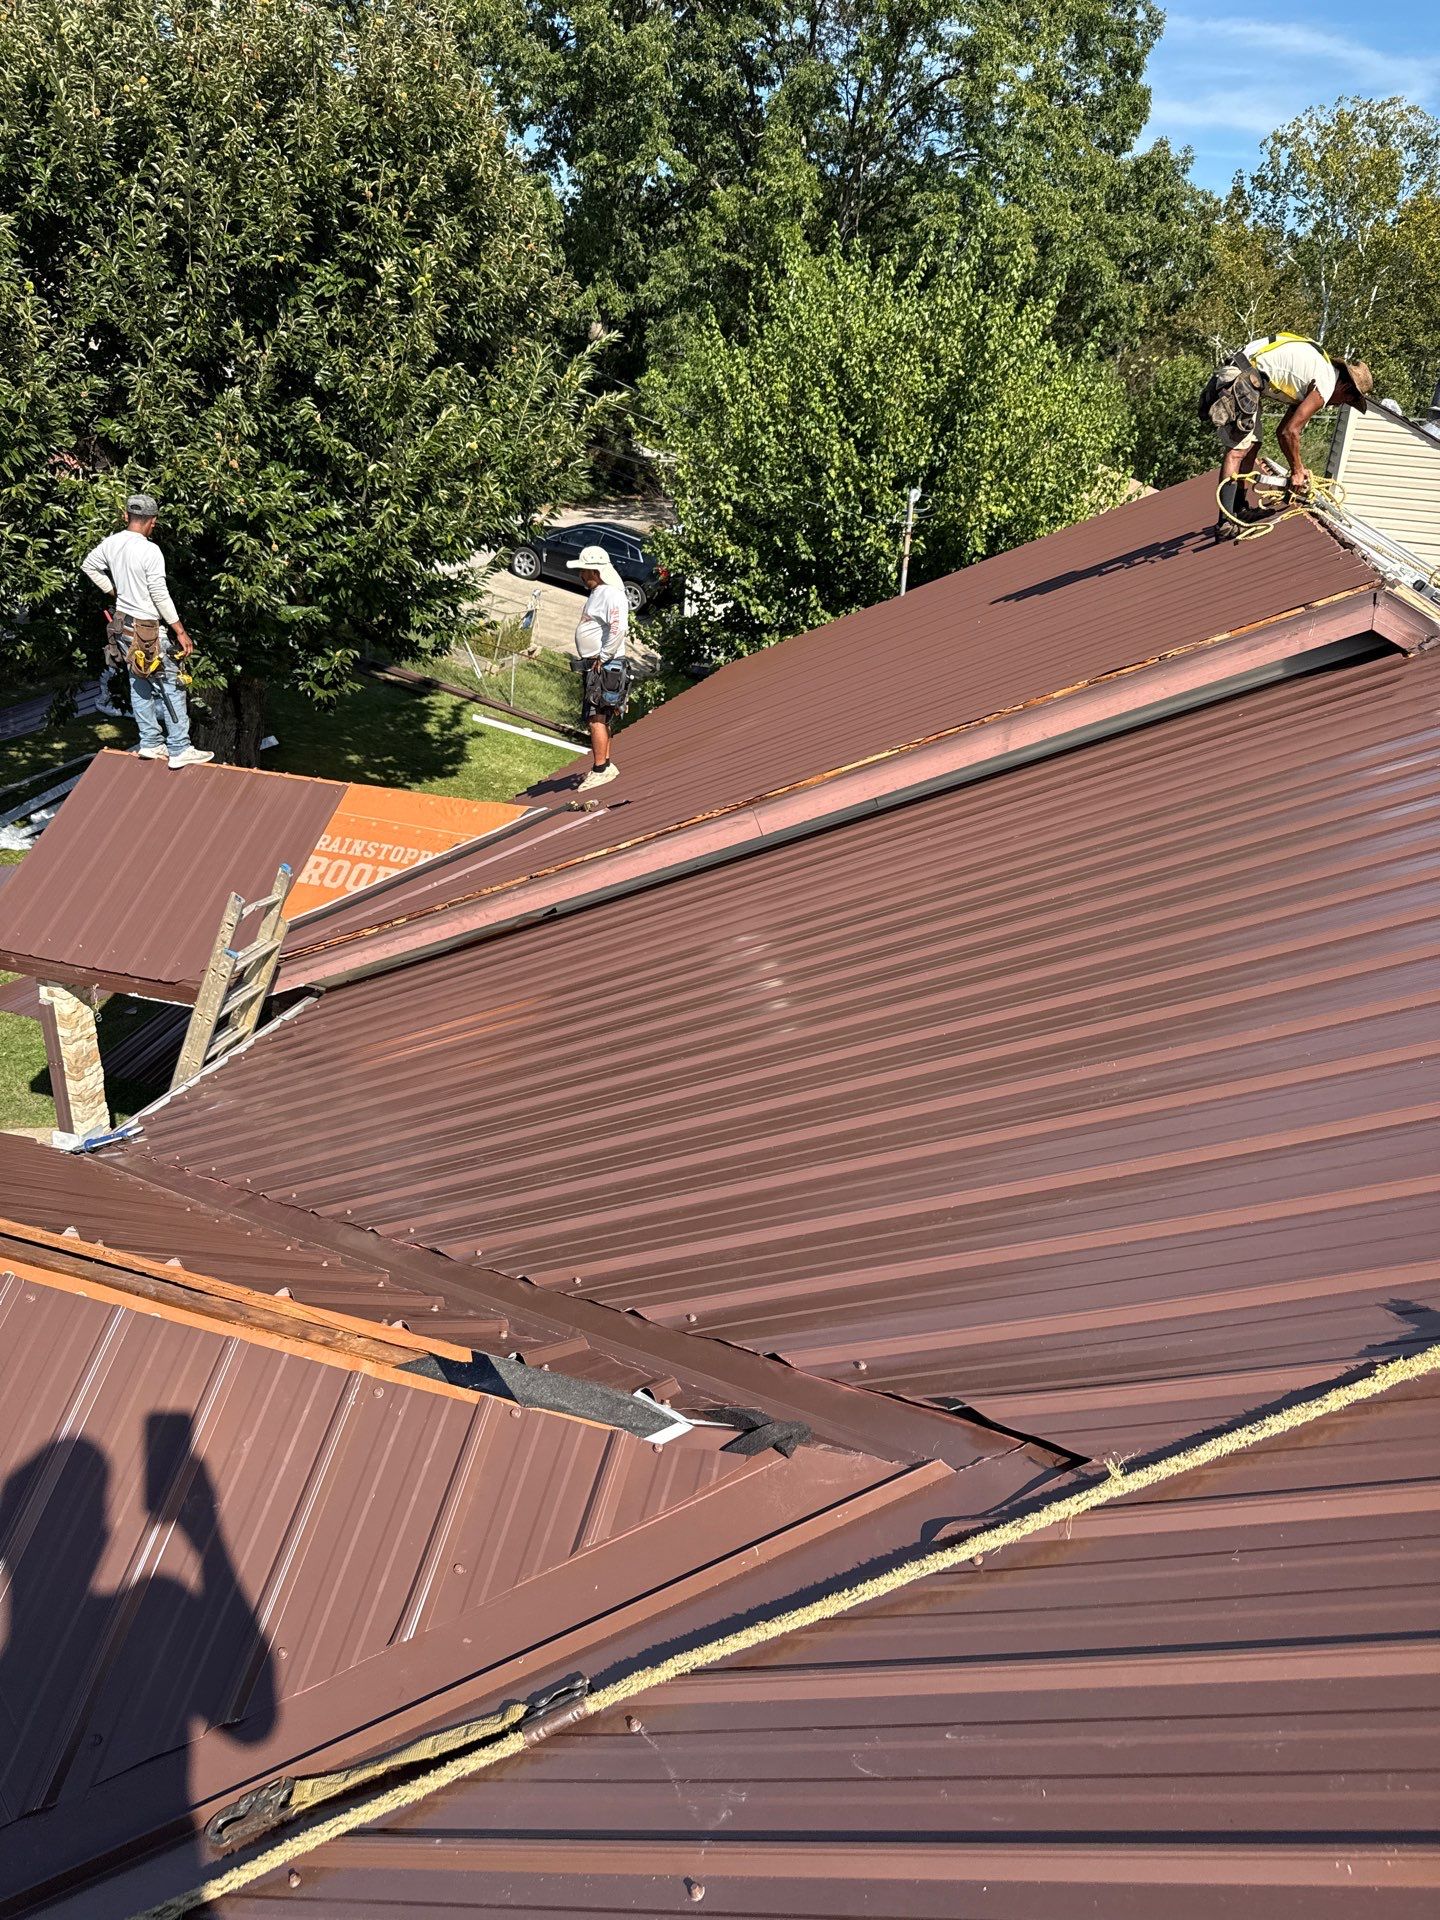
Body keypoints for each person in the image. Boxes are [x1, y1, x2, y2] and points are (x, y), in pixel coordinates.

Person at [81, 493, 214, 767]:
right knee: (172, 685)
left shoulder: (112, 543)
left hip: (122, 627)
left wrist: (114, 590)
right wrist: (179, 630)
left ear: (126, 517)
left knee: (138, 681)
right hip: (147, 629)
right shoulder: (150, 550)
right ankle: (179, 748)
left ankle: (150, 743)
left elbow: (89, 565)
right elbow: (159, 593)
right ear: (152, 521)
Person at [1201, 334, 1372, 538]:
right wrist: (1297, 471)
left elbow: (1284, 431)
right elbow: (1291, 432)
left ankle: (1240, 509)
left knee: (1253, 444)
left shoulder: (1317, 372)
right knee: (1237, 451)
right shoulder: (1325, 384)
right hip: (1241, 378)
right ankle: (1226, 524)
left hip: (1246, 378)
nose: (1338, 405)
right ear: (1345, 388)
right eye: (1346, 400)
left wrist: (1297, 468)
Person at [566, 541, 631, 791]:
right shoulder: (600, 593)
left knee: (595, 717)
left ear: (595, 571)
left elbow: (618, 628)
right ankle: (605, 764)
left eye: (583, 570)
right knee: (600, 715)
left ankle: (600, 768)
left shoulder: (611, 595)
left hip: (606, 665)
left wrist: (603, 657)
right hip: (600, 663)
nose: (581, 575)